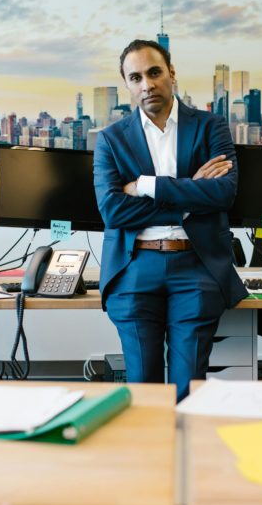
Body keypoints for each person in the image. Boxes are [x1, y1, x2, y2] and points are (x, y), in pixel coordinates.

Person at [93, 39, 248, 401]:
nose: (146, 84)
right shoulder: (111, 140)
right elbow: (113, 211)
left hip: (195, 267)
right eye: (135, 78)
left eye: (154, 72)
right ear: (128, 85)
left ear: (171, 74)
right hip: (134, 267)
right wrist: (190, 192)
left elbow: (224, 194)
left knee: (187, 388)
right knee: (142, 387)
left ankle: (185, 456)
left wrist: (146, 186)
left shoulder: (211, 127)